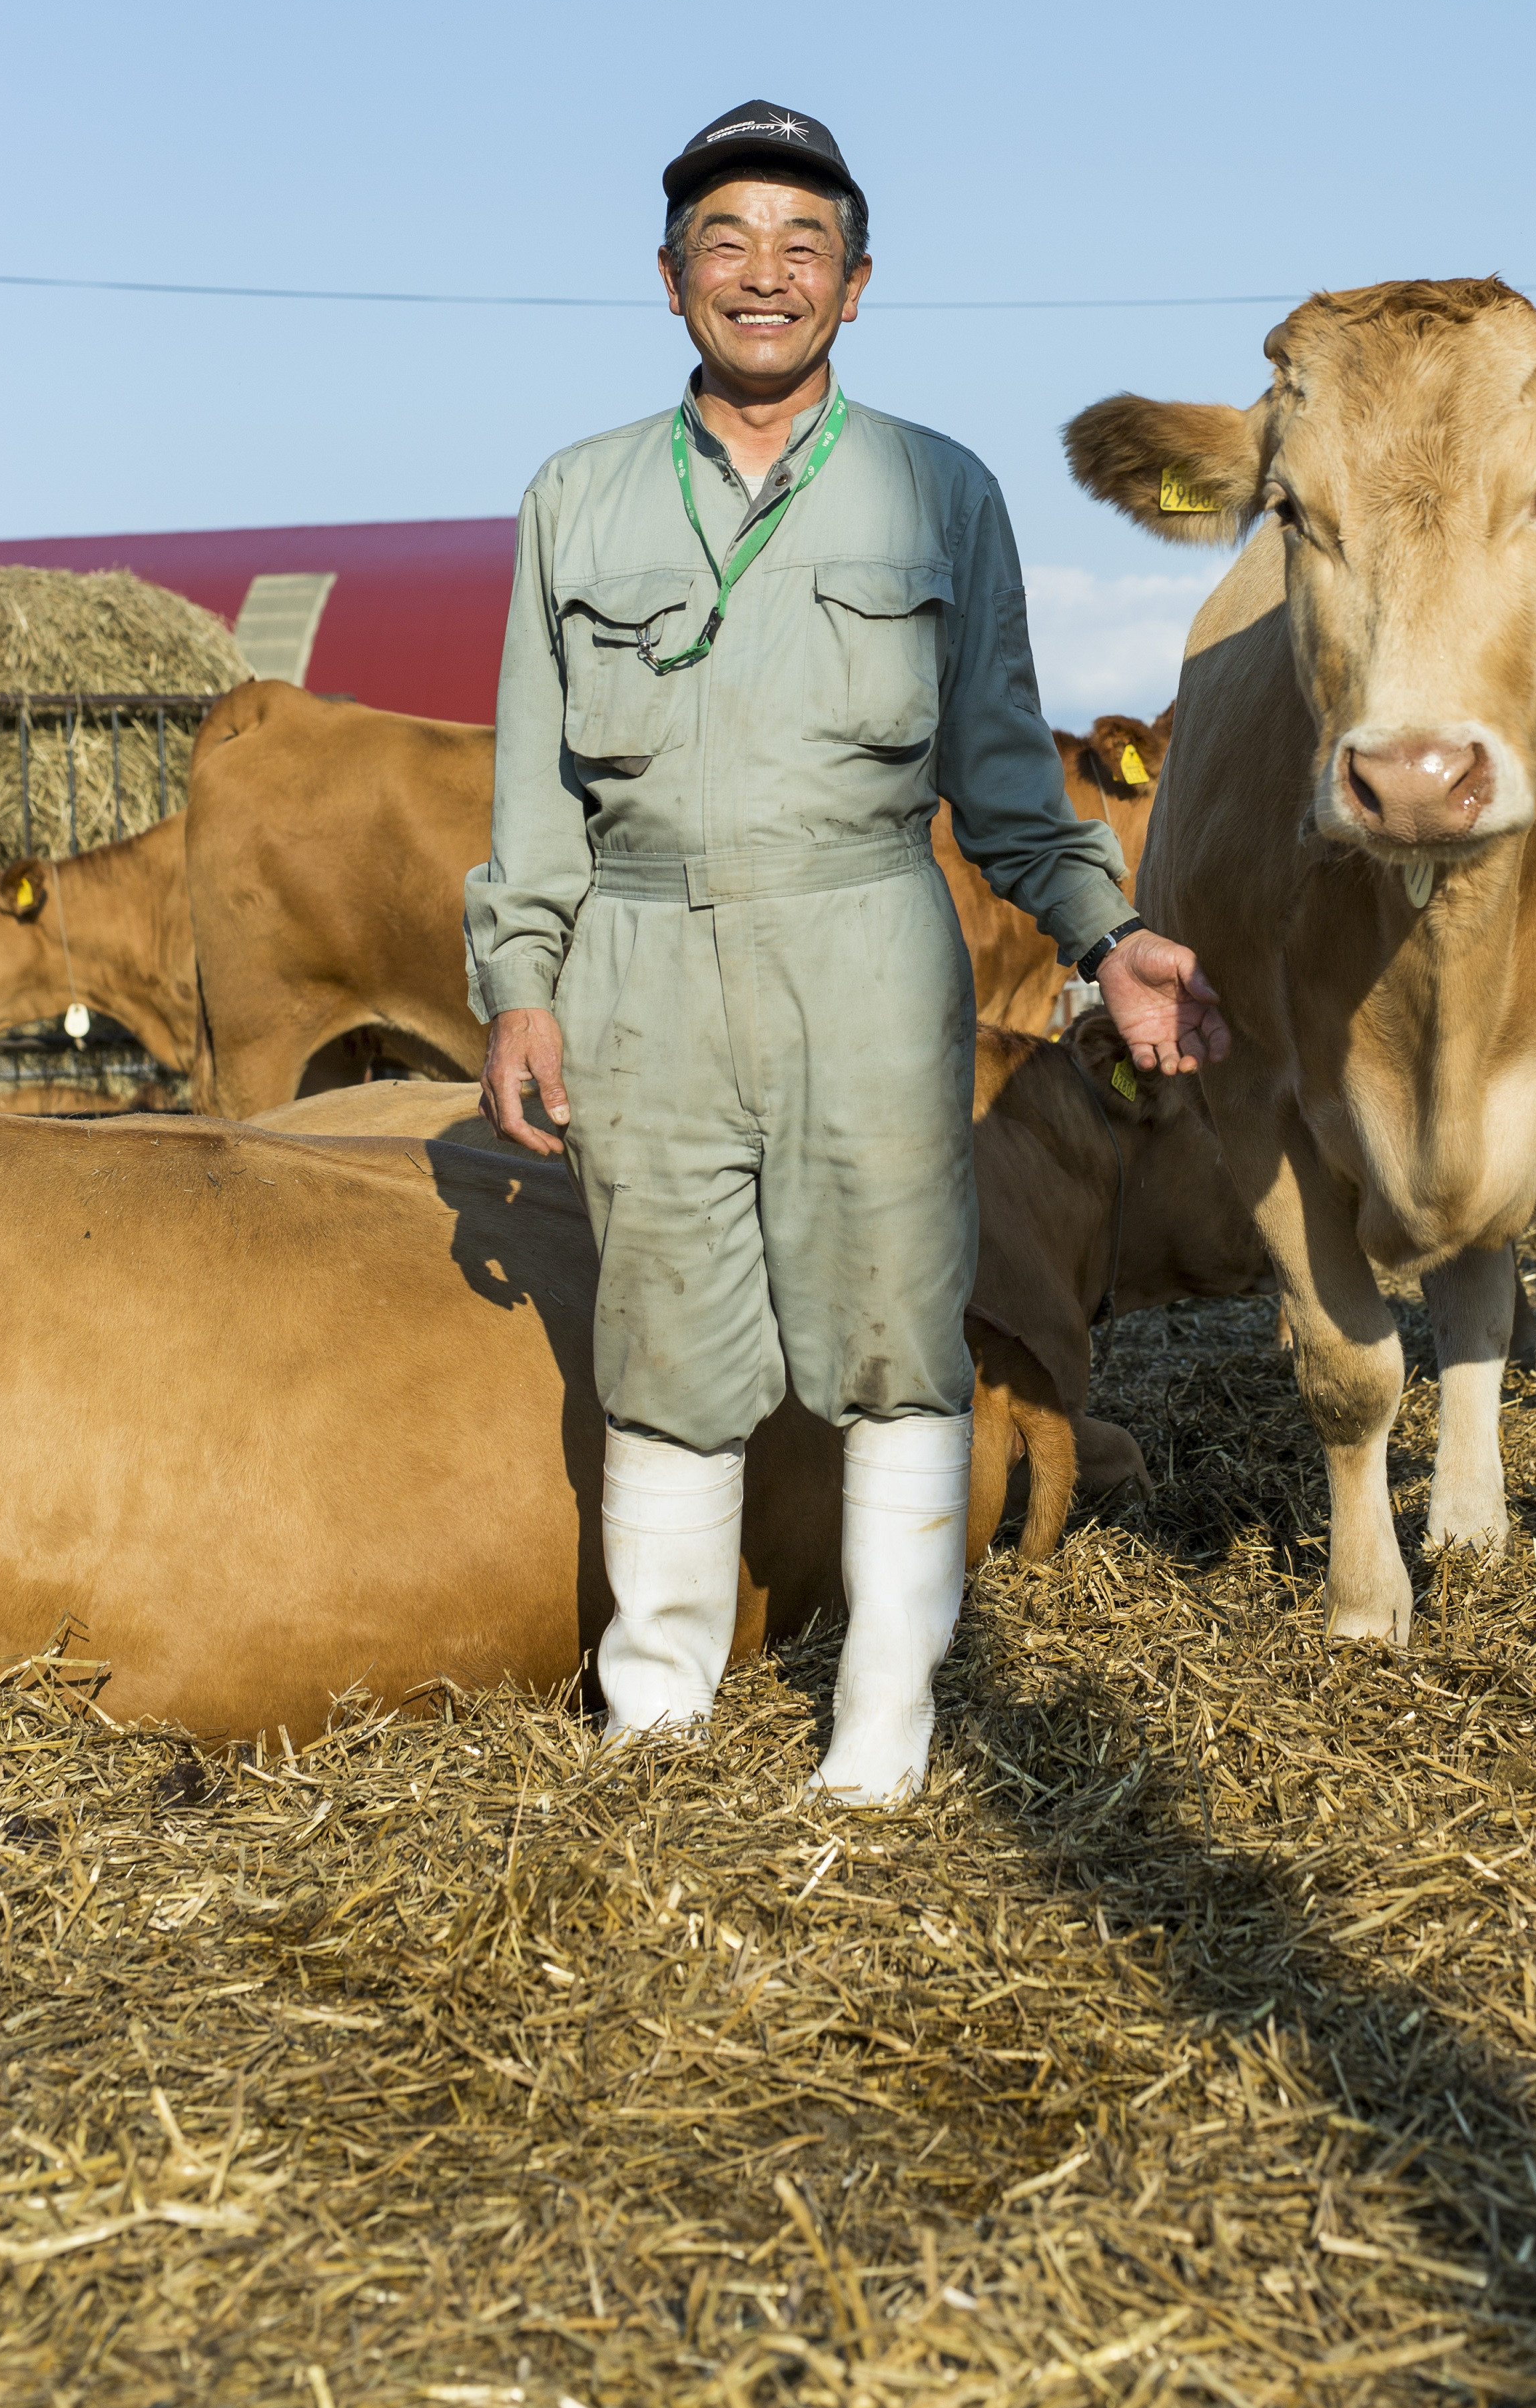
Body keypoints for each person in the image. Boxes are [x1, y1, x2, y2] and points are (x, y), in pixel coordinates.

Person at [466, 101, 1228, 1801]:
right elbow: (536, 792)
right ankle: (656, 1720)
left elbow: (1012, 782)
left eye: (803, 246)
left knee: (897, 1339)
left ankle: (884, 1731)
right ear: (670, 281)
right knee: (660, 1345)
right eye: (726, 241)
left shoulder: (940, 492)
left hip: (872, 954)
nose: (765, 274)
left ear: (857, 286)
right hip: (644, 959)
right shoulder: (573, 502)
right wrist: (522, 984)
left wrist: (1110, 941)